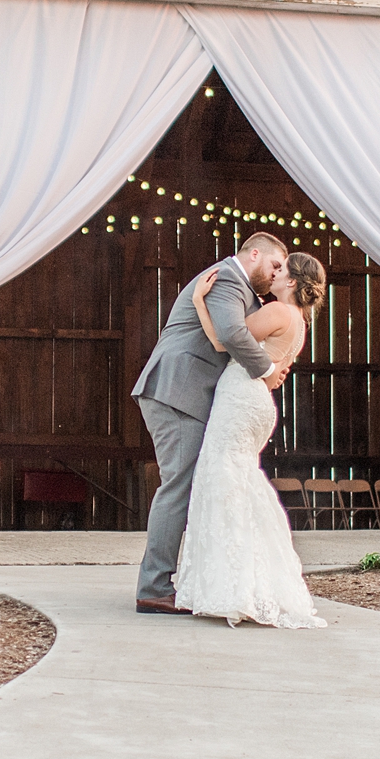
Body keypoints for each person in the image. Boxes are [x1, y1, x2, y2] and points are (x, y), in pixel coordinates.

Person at [130, 232, 287, 613]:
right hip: (177, 391)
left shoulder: (242, 289)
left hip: (186, 394)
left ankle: (171, 581)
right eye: (274, 265)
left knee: (187, 485)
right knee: (178, 486)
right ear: (253, 255)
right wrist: (266, 371)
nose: (276, 274)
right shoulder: (228, 278)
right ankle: (153, 587)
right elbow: (230, 334)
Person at [173, 251, 328, 629]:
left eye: (280, 270)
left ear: (291, 281)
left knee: (221, 480)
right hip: (257, 401)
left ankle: (233, 587)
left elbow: (227, 340)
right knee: (239, 485)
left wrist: (197, 300)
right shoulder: (300, 322)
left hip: (242, 398)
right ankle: (249, 581)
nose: (273, 273)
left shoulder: (278, 311)